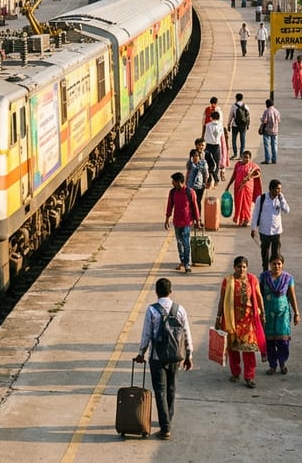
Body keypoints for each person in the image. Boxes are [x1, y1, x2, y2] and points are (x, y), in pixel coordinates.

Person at [134, 277, 193, 440]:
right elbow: (186, 333)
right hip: (175, 357)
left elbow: (147, 333)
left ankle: (165, 427)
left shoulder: (152, 310)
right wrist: (189, 355)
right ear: (171, 292)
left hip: (157, 357)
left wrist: (141, 353)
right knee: (171, 389)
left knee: (160, 391)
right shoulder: (180, 310)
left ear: (156, 292)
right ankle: (167, 420)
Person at [215, 256, 265, 388]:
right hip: (231, 319)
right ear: (234, 267)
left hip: (248, 320)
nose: (241, 269)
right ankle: (235, 372)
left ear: (247, 268)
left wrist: (263, 314)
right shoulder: (228, 281)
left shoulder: (253, 279)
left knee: (249, 349)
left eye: (244, 267)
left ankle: (249, 376)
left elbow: (259, 297)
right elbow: (222, 299)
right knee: (233, 349)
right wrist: (218, 316)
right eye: (239, 266)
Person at [260, 254, 300, 375]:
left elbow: (292, 296)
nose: (276, 266)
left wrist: (296, 312)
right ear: (270, 264)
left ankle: (282, 363)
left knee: (283, 341)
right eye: (274, 263)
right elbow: (259, 294)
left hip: (283, 314)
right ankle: (272, 365)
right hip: (268, 314)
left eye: (279, 264)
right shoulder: (263, 277)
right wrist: (259, 311)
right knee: (269, 342)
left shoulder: (288, 278)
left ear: (282, 265)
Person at [164, 172, 201, 273]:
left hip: (187, 222)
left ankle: (187, 264)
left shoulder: (190, 192)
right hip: (177, 222)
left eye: (174, 182)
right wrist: (167, 219)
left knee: (186, 243)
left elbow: (195, 206)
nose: (172, 183)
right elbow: (169, 206)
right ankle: (183, 260)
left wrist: (198, 220)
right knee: (179, 243)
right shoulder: (172, 193)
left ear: (180, 182)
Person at [251, 179, 290, 272]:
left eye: (280, 189)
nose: (279, 191)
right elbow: (255, 214)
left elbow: (287, 210)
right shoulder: (261, 199)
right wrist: (253, 228)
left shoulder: (280, 198)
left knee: (276, 253)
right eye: (277, 189)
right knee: (264, 252)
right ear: (271, 189)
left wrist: (282, 199)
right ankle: (265, 270)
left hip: (276, 231)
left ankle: (275, 271)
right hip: (264, 231)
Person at [224, 150, 262, 227]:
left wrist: (250, 177)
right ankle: (240, 220)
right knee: (238, 204)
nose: (246, 159)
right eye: (244, 157)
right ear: (241, 157)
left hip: (248, 188)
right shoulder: (238, 164)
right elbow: (234, 175)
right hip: (238, 187)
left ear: (250, 158)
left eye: (247, 158)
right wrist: (228, 186)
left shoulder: (252, 166)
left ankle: (246, 220)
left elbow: (259, 174)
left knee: (246, 204)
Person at [203, 111, 226, 186]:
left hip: (209, 146)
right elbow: (221, 136)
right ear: (218, 118)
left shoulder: (207, 125)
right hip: (217, 146)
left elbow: (205, 135)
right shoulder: (220, 126)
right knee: (217, 163)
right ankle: (215, 178)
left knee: (208, 162)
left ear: (211, 118)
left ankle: (210, 177)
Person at [186, 147, 209, 217]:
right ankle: (192, 217)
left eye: (197, 156)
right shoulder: (190, 164)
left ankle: (198, 217)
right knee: (191, 202)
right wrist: (186, 183)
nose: (195, 158)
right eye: (193, 156)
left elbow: (206, 174)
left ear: (199, 156)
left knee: (198, 202)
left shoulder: (203, 163)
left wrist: (205, 183)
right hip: (190, 186)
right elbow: (188, 172)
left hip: (200, 186)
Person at [259, 98, 280, 165]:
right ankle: (274, 159)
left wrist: (261, 121)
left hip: (267, 131)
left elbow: (264, 121)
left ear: (267, 104)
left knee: (267, 145)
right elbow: (279, 120)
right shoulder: (276, 111)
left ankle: (267, 159)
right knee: (274, 145)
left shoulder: (266, 111)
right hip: (275, 131)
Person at [228, 93, 249, 158]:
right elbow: (248, 116)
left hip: (235, 125)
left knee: (234, 140)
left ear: (236, 98)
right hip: (243, 125)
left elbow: (231, 116)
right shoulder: (246, 106)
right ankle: (241, 154)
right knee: (242, 140)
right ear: (242, 98)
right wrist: (247, 124)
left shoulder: (234, 106)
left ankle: (235, 153)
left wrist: (228, 124)